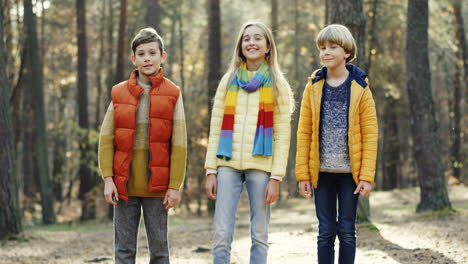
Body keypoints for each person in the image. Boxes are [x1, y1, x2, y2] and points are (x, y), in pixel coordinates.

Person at [204, 21, 293, 264]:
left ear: (267, 47)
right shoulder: (228, 80)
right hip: (227, 162)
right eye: (246, 39)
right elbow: (215, 127)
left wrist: (276, 177)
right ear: (240, 46)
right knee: (221, 232)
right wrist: (211, 169)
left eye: (257, 38)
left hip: (261, 165)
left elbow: (283, 135)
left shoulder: (278, 84)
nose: (251, 43)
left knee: (260, 233)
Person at [98, 27, 187, 264]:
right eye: (141, 54)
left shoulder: (173, 93)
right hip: (123, 185)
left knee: (159, 252)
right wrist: (108, 179)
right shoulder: (119, 92)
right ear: (133, 59)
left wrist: (175, 186)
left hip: (157, 187)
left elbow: (179, 145)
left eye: (152, 53)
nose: (147, 58)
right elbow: (106, 139)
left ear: (162, 56)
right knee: (124, 252)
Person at [295, 24, 378, 264]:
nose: (326, 52)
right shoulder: (313, 86)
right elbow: (304, 132)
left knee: (347, 231)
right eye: (322, 48)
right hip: (321, 173)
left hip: (350, 175)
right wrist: (303, 175)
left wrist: (366, 176)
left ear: (347, 52)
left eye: (332, 47)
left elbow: (370, 134)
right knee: (325, 232)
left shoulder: (360, 87)